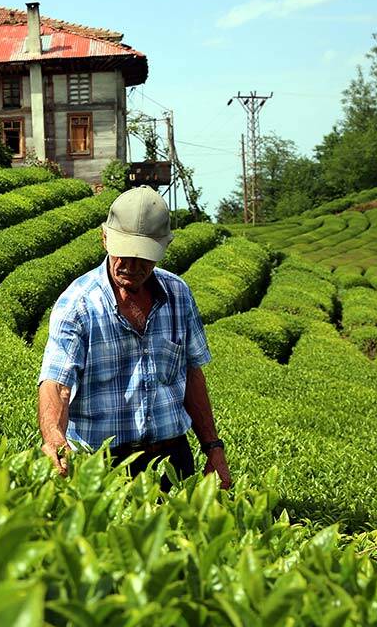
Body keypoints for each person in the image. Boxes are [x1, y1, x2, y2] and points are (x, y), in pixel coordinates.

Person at [37, 185, 231, 491]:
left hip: (173, 460)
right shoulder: (78, 304)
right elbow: (56, 383)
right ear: (104, 239)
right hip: (104, 465)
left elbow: (192, 374)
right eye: (124, 253)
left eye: (144, 257)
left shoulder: (178, 294)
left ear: (163, 249)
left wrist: (213, 448)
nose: (131, 266)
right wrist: (55, 439)